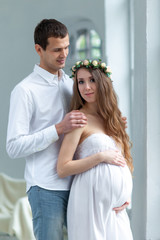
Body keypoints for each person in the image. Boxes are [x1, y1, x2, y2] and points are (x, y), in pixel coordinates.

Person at [6, 19, 129, 240]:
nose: (63, 54)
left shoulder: (72, 84)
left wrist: (109, 121)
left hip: (81, 186)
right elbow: (13, 147)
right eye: (56, 50)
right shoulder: (25, 91)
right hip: (47, 188)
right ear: (39, 49)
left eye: (67, 47)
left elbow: (88, 122)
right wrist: (58, 128)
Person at [57, 59, 134, 240]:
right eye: (81, 82)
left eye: (92, 80)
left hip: (116, 209)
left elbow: (124, 160)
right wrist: (100, 157)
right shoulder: (79, 118)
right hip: (88, 201)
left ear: (103, 82)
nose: (86, 87)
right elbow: (62, 168)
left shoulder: (114, 120)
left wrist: (125, 196)